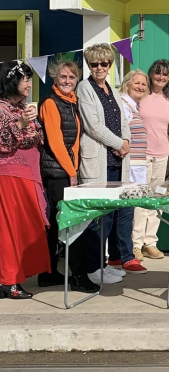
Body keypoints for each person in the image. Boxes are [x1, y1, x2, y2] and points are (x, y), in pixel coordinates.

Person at [38, 59, 99, 293]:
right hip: (56, 173)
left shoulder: (71, 102)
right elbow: (55, 143)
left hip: (65, 170)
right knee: (72, 223)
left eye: (71, 78)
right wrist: (72, 172)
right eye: (63, 77)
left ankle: (48, 272)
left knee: (55, 224)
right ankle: (79, 275)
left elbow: (73, 142)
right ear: (55, 78)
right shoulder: (52, 103)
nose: (67, 81)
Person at [77, 43, 132, 283]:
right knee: (96, 219)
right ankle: (93, 268)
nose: (100, 68)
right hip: (99, 160)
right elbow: (93, 126)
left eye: (104, 63)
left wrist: (126, 140)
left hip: (116, 161)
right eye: (94, 64)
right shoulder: (85, 88)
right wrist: (118, 143)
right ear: (89, 65)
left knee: (110, 216)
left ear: (110, 65)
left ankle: (105, 263)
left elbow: (122, 120)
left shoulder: (112, 89)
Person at [0, 61, 49, 299]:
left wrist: (29, 120)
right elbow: (4, 142)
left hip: (26, 174)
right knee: (9, 231)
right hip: (8, 175)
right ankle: (8, 281)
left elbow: (36, 138)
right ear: (11, 81)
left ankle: (12, 278)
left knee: (23, 230)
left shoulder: (21, 108)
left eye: (30, 78)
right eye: (24, 79)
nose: (29, 83)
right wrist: (22, 123)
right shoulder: (1, 108)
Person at [132, 59, 169, 261]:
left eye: (165, 74)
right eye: (157, 73)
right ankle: (136, 244)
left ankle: (151, 242)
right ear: (151, 74)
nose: (161, 77)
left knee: (156, 199)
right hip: (141, 155)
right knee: (140, 200)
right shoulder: (141, 96)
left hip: (162, 155)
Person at [117, 70, 149, 274]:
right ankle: (126, 257)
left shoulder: (134, 106)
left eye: (144, 84)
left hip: (136, 165)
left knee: (127, 211)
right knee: (125, 213)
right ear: (127, 84)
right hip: (127, 166)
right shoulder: (124, 105)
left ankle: (121, 256)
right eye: (136, 83)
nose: (140, 87)